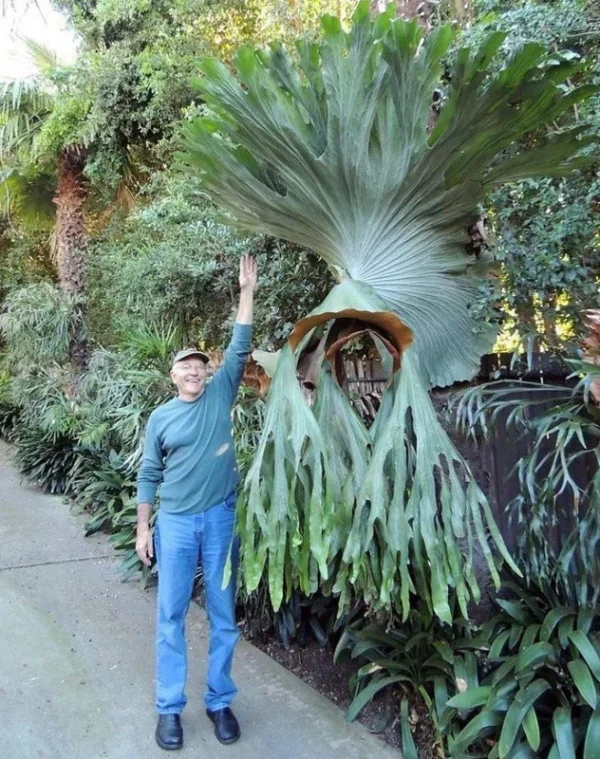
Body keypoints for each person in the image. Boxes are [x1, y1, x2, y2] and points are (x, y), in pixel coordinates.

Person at [135, 255, 257, 751]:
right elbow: (148, 474)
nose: (194, 371)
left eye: (199, 365)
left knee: (224, 613)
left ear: (208, 374)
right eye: (185, 365)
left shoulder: (221, 390)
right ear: (173, 374)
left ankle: (219, 701)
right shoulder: (161, 419)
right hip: (178, 525)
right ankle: (169, 709)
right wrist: (144, 529)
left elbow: (241, 344)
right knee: (171, 616)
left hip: (220, 518)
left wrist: (246, 292)